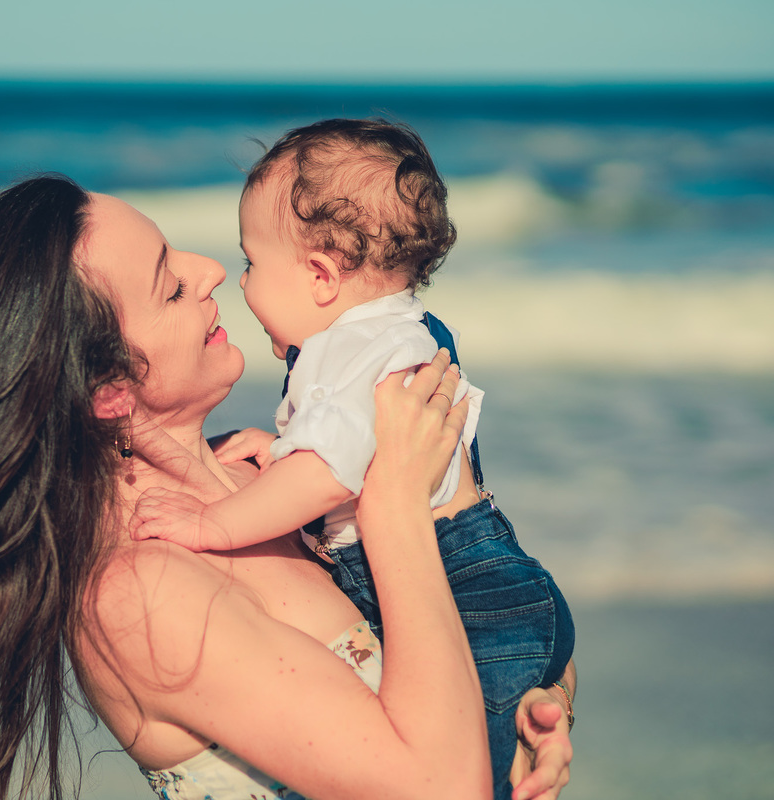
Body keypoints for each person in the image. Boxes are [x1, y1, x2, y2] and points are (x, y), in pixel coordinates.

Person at [0, 175, 572, 800]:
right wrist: (391, 513)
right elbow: (437, 789)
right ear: (110, 389)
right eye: (169, 281)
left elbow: (490, 604)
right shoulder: (137, 591)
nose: (213, 271)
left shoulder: (263, 477)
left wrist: (539, 712)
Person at [131, 118, 575, 800]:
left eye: (251, 263)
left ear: (320, 276)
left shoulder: (349, 351)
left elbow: (331, 473)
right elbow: (347, 449)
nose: (230, 278)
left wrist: (212, 526)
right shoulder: (391, 332)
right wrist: (280, 448)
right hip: (489, 583)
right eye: (167, 286)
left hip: (465, 588)